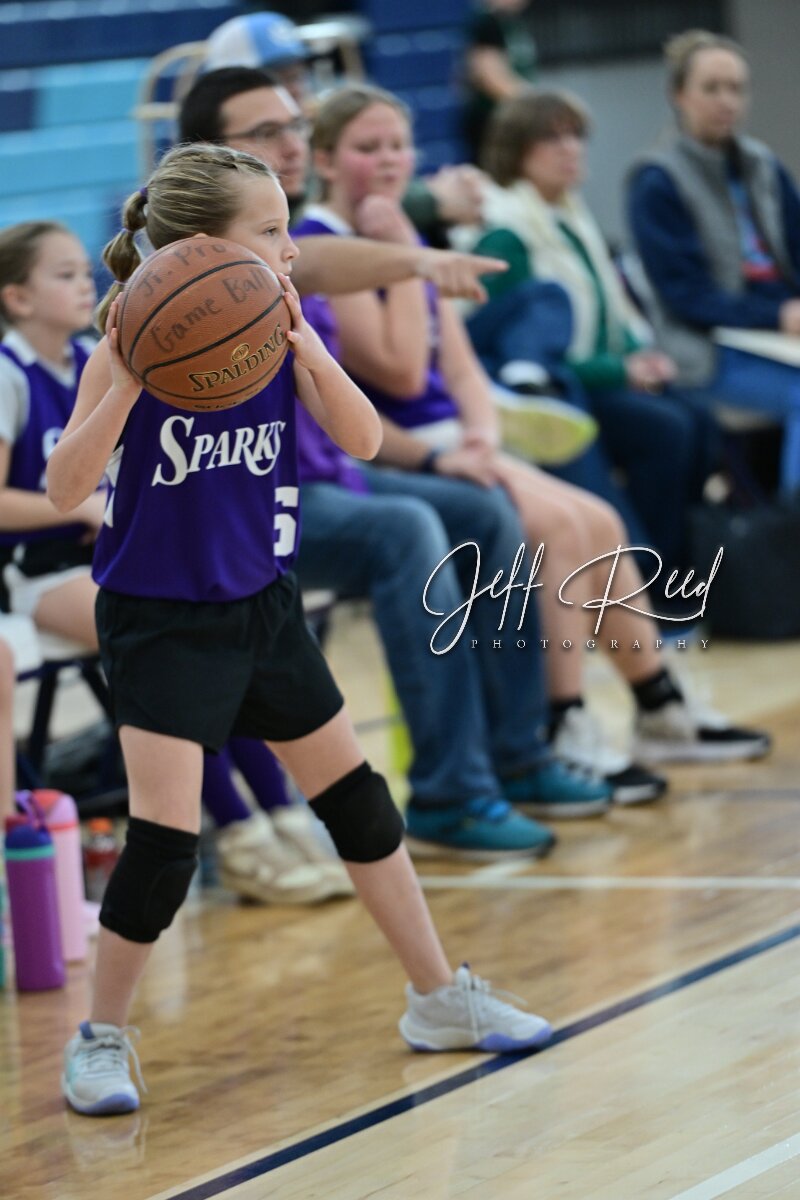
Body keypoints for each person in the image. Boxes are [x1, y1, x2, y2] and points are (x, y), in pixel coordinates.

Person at [47, 143, 555, 1116]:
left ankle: (435, 996)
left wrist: (309, 350)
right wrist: (128, 383)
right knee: (164, 844)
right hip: (161, 619)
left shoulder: (274, 334)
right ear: (202, 250)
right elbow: (67, 487)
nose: (290, 249)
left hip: (264, 603)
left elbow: (363, 440)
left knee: (360, 805)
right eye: (273, 231)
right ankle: (100, 1038)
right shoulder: (126, 341)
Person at [177, 67, 613, 851]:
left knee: (486, 512)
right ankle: (452, 794)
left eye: (295, 127)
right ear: (212, 150)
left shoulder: (278, 238)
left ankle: (519, 755)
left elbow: (320, 263)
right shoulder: (193, 262)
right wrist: (412, 251)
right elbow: (339, 287)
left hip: (322, 477)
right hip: (239, 506)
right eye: (266, 133)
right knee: (405, 529)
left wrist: (413, 256)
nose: (291, 144)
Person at [301, 81, 771, 777]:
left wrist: (484, 432)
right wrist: (403, 254)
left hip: (456, 435)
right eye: (368, 147)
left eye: (399, 144)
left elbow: (459, 368)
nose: (390, 160)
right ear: (325, 160)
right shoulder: (322, 245)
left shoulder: (405, 239)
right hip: (391, 448)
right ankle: (560, 723)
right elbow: (401, 372)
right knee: (555, 527)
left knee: (598, 517)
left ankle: (659, 706)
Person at [0, 219, 346, 902]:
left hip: (127, 554)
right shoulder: (9, 375)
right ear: (17, 297)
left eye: (82, 271)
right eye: (63, 275)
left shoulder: (100, 354)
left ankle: (281, 816)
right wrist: (82, 509)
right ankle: (240, 831)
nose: (84, 285)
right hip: (38, 573)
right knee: (182, 654)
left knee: (217, 642)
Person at [470, 88, 720, 574]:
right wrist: (620, 371)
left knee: (700, 420)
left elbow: (611, 313)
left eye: (576, 136)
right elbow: (526, 353)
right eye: (551, 138)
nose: (570, 149)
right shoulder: (506, 233)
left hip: (600, 374)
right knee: (665, 431)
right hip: (559, 389)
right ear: (516, 150)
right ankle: (650, 573)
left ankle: (686, 564)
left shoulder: (571, 216)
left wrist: (640, 356)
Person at [628, 30, 800, 495]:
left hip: (779, 334)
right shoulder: (657, 180)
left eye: (736, 88)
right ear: (678, 94)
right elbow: (687, 297)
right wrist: (779, 315)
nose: (727, 101)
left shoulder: (762, 165)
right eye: (711, 88)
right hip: (704, 349)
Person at [463, 0, 538, 162]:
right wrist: (533, 103)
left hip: (514, 117)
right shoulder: (488, 24)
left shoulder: (512, 22)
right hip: (493, 120)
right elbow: (489, 76)